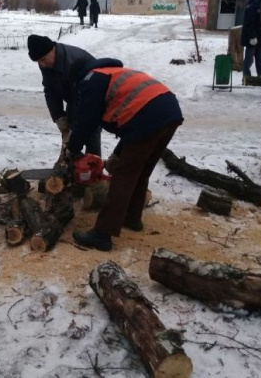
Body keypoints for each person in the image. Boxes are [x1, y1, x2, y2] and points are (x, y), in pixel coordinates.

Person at [66, 58, 184, 251]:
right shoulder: (111, 72)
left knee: (123, 176)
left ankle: (102, 234)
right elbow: (131, 118)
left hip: (149, 116)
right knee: (141, 170)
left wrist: (72, 148)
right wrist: (117, 153)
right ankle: (132, 218)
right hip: (169, 111)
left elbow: (87, 121)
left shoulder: (90, 80)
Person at [27, 35, 101, 157]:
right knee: (69, 140)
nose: (42, 64)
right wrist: (59, 116)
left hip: (93, 100)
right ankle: (68, 168)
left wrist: (76, 129)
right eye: (38, 62)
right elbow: (50, 89)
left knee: (90, 136)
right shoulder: (45, 62)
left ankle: (93, 169)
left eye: (43, 59)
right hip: (74, 99)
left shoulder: (74, 61)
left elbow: (84, 100)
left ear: (52, 50)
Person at [240, 0, 261, 80]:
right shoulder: (254, 5)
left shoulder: (259, 4)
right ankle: (247, 77)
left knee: (259, 58)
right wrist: (252, 36)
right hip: (251, 37)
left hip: (259, 36)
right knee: (249, 59)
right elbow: (249, 23)